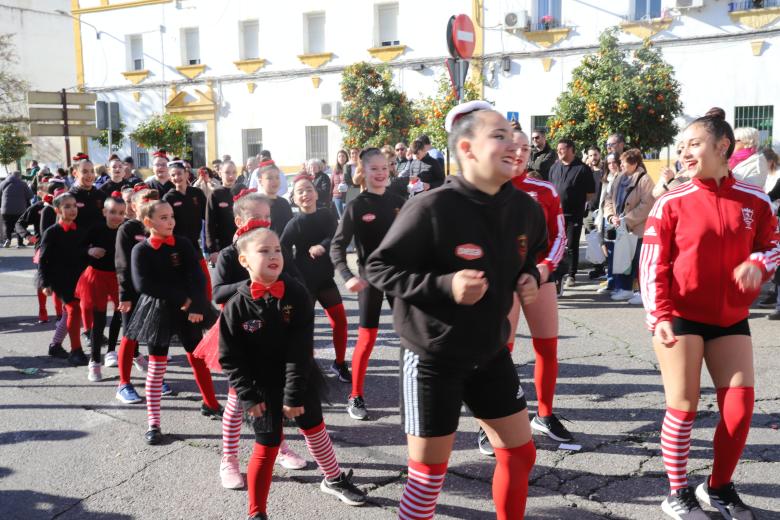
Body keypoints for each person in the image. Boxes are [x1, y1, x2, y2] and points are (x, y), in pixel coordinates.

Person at [365, 101, 547, 520]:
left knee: (520, 455)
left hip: (490, 352)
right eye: (498, 135)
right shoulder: (432, 207)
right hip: (432, 357)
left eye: (512, 134)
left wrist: (530, 277)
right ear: (466, 148)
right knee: (428, 476)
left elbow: (533, 256)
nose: (513, 142)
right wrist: (445, 285)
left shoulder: (525, 209)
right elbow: (379, 267)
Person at [640, 107, 780, 520]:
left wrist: (760, 264)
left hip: (730, 318)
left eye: (693, 144)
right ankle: (677, 491)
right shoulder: (671, 202)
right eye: (682, 146)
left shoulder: (754, 200)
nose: (684, 153)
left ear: (723, 147)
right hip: (679, 314)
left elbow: (773, 245)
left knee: (739, 410)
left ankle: (717, 487)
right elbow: (652, 264)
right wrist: (659, 315)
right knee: (682, 407)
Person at [219, 226, 366, 519]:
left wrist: (293, 394)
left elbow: (300, 349)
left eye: (277, 250)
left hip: (299, 378)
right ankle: (256, 511)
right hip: (259, 387)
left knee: (314, 427)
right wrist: (248, 396)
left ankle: (333, 478)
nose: (274, 255)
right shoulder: (235, 306)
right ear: (244, 260)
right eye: (264, 251)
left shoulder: (296, 293)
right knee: (267, 444)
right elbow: (230, 358)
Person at [202, 193, 306, 489]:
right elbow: (218, 293)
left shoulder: (276, 248)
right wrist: (252, 283)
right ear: (239, 222)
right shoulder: (229, 254)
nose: (264, 224)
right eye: (256, 218)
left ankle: (281, 447)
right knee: (237, 401)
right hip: (240, 334)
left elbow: (296, 281)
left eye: (267, 218)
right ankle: (229, 459)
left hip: (275, 332)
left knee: (276, 391)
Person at [477, 127, 571, 451]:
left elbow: (560, 234)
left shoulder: (544, 190)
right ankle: (491, 420)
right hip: (503, 282)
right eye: (511, 148)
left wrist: (546, 268)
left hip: (539, 278)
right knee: (499, 353)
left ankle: (544, 415)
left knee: (547, 347)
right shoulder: (487, 190)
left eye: (524, 150)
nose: (518, 154)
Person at [125, 198, 222, 445]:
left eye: (171, 216)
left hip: (190, 308)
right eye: (164, 218)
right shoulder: (141, 249)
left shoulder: (183, 243)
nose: (170, 221)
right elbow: (143, 284)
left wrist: (198, 304)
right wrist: (183, 299)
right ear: (148, 222)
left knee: (197, 357)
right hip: (158, 310)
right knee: (157, 368)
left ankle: (210, 403)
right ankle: (153, 423)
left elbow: (197, 275)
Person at [330, 147, 405, 420]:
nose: (381, 173)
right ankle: (356, 396)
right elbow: (337, 247)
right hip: (369, 279)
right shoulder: (355, 206)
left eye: (384, 168)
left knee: (411, 334)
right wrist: (348, 276)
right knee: (368, 337)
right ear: (362, 172)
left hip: (398, 277)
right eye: (375, 169)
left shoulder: (400, 200)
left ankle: (418, 390)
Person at [281, 175, 349, 376]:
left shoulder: (326, 215)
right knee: (304, 327)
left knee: (340, 322)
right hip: (304, 284)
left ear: (317, 193)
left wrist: (322, 246)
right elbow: (282, 251)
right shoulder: (293, 224)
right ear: (294, 197)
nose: (305, 194)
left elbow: (335, 236)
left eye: (309, 190)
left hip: (326, 280)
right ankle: (305, 366)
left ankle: (339, 364)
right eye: (300, 191)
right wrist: (293, 275)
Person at [38, 193, 94, 366]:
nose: (72, 210)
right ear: (58, 210)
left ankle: (55, 345)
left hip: (78, 277)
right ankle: (76, 351)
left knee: (70, 313)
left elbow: (83, 254)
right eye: (67, 206)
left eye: (74, 206)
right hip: (60, 278)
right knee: (73, 309)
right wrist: (45, 283)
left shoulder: (81, 230)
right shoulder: (52, 232)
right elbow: (43, 259)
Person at [114, 186, 157, 405]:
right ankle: (123, 383)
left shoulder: (161, 227)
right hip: (132, 292)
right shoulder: (127, 229)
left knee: (155, 337)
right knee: (130, 337)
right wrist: (124, 295)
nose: (151, 206)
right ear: (134, 206)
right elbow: (121, 264)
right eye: (145, 202)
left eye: (154, 201)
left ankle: (155, 379)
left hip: (155, 294)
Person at [76, 195, 126, 382]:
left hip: (118, 277)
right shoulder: (95, 229)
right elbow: (79, 248)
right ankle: (94, 361)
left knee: (121, 316)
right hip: (96, 276)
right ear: (104, 212)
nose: (116, 216)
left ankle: (113, 351)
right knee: (98, 321)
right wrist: (90, 251)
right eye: (112, 212)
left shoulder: (125, 229)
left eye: (121, 213)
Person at [603, 149, 655, 305]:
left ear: (634, 163)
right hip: (620, 226)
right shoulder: (618, 178)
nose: (620, 165)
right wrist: (611, 216)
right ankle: (624, 288)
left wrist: (627, 219)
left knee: (636, 261)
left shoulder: (645, 179)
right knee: (623, 258)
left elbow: (647, 204)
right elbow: (608, 199)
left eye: (623, 162)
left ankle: (639, 291)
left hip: (636, 228)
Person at [548, 138, 596, 288]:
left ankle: (571, 274)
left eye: (561, 149)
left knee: (571, 245)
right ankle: (556, 274)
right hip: (556, 215)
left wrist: (578, 204)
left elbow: (590, 193)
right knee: (556, 245)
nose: (559, 152)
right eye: (558, 149)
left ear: (571, 149)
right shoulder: (554, 168)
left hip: (573, 214)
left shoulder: (582, 169)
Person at [163, 160, 211, 300]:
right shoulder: (169, 197)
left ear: (186, 174)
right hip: (177, 245)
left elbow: (207, 216)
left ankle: (206, 307)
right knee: (184, 280)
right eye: (173, 175)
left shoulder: (196, 193)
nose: (176, 177)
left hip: (195, 244)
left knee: (204, 278)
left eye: (179, 173)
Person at [16, 182, 60, 323]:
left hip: (61, 247)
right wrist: (27, 236)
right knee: (42, 280)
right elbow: (19, 223)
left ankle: (60, 314)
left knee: (58, 281)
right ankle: (43, 310)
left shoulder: (67, 205)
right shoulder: (38, 207)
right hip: (42, 248)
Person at [206, 160, 243, 264]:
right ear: (220, 173)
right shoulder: (215, 194)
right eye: (227, 172)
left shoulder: (242, 192)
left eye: (234, 172)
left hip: (242, 244)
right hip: (223, 245)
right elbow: (210, 223)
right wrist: (212, 250)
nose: (231, 176)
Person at [255, 161, 294, 236]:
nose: (275, 181)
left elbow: (291, 227)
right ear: (260, 181)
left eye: (277, 177)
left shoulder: (284, 203)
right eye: (270, 178)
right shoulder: (257, 204)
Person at [1, 171, 33, 248]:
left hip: (6, 209)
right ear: (19, 176)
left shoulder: (4, 183)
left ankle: (7, 240)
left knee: (7, 225)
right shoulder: (23, 184)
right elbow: (30, 195)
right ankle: (20, 243)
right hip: (20, 209)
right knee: (19, 225)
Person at [331, 150, 349, 218]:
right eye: (339, 156)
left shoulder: (349, 168)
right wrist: (330, 198)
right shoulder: (335, 170)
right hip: (337, 197)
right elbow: (332, 184)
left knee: (347, 216)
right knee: (341, 217)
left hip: (347, 196)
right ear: (337, 159)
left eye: (343, 156)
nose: (341, 158)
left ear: (346, 158)